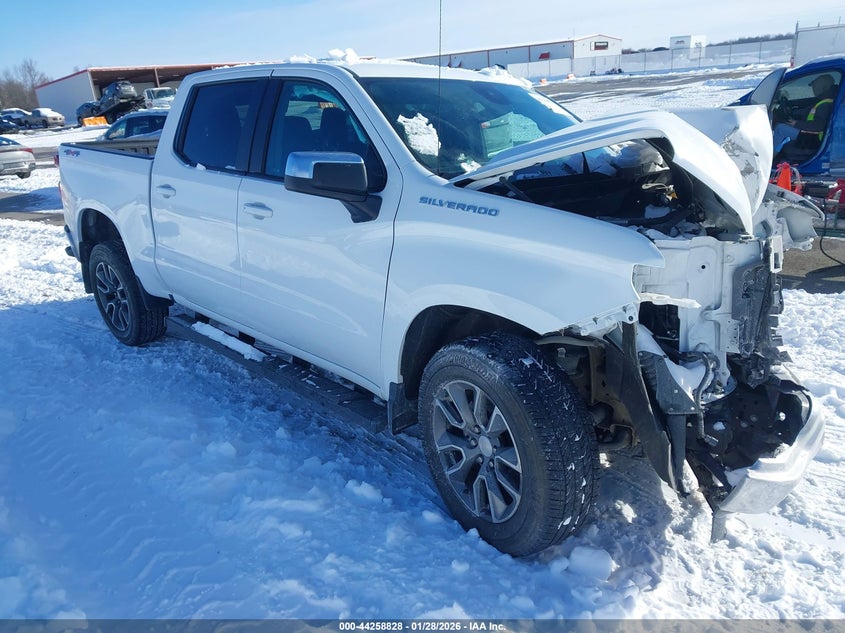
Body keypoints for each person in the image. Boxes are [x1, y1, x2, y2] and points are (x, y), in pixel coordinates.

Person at [772, 73, 837, 155]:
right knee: (784, 127)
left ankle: (770, 158)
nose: (813, 89)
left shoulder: (825, 105)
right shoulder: (824, 100)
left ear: (824, 88)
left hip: (814, 139)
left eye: (815, 87)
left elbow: (818, 126)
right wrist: (792, 112)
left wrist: (796, 123)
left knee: (780, 128)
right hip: (812, 136)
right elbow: (807, 111)